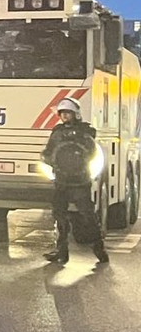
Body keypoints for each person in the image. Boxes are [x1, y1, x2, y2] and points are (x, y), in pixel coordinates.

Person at [41, 97, 108, 265]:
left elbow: (91, 152)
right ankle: (61, 251)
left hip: (80, 181)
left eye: (68, 113)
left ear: (75, 114)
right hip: (62, 180)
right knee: (59, 216)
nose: (65, 116)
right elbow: (48, 152)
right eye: (62, 113)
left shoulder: (86, 132)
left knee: (88, 216)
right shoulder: (57, 132)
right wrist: (50, 161)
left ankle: (99, 249)